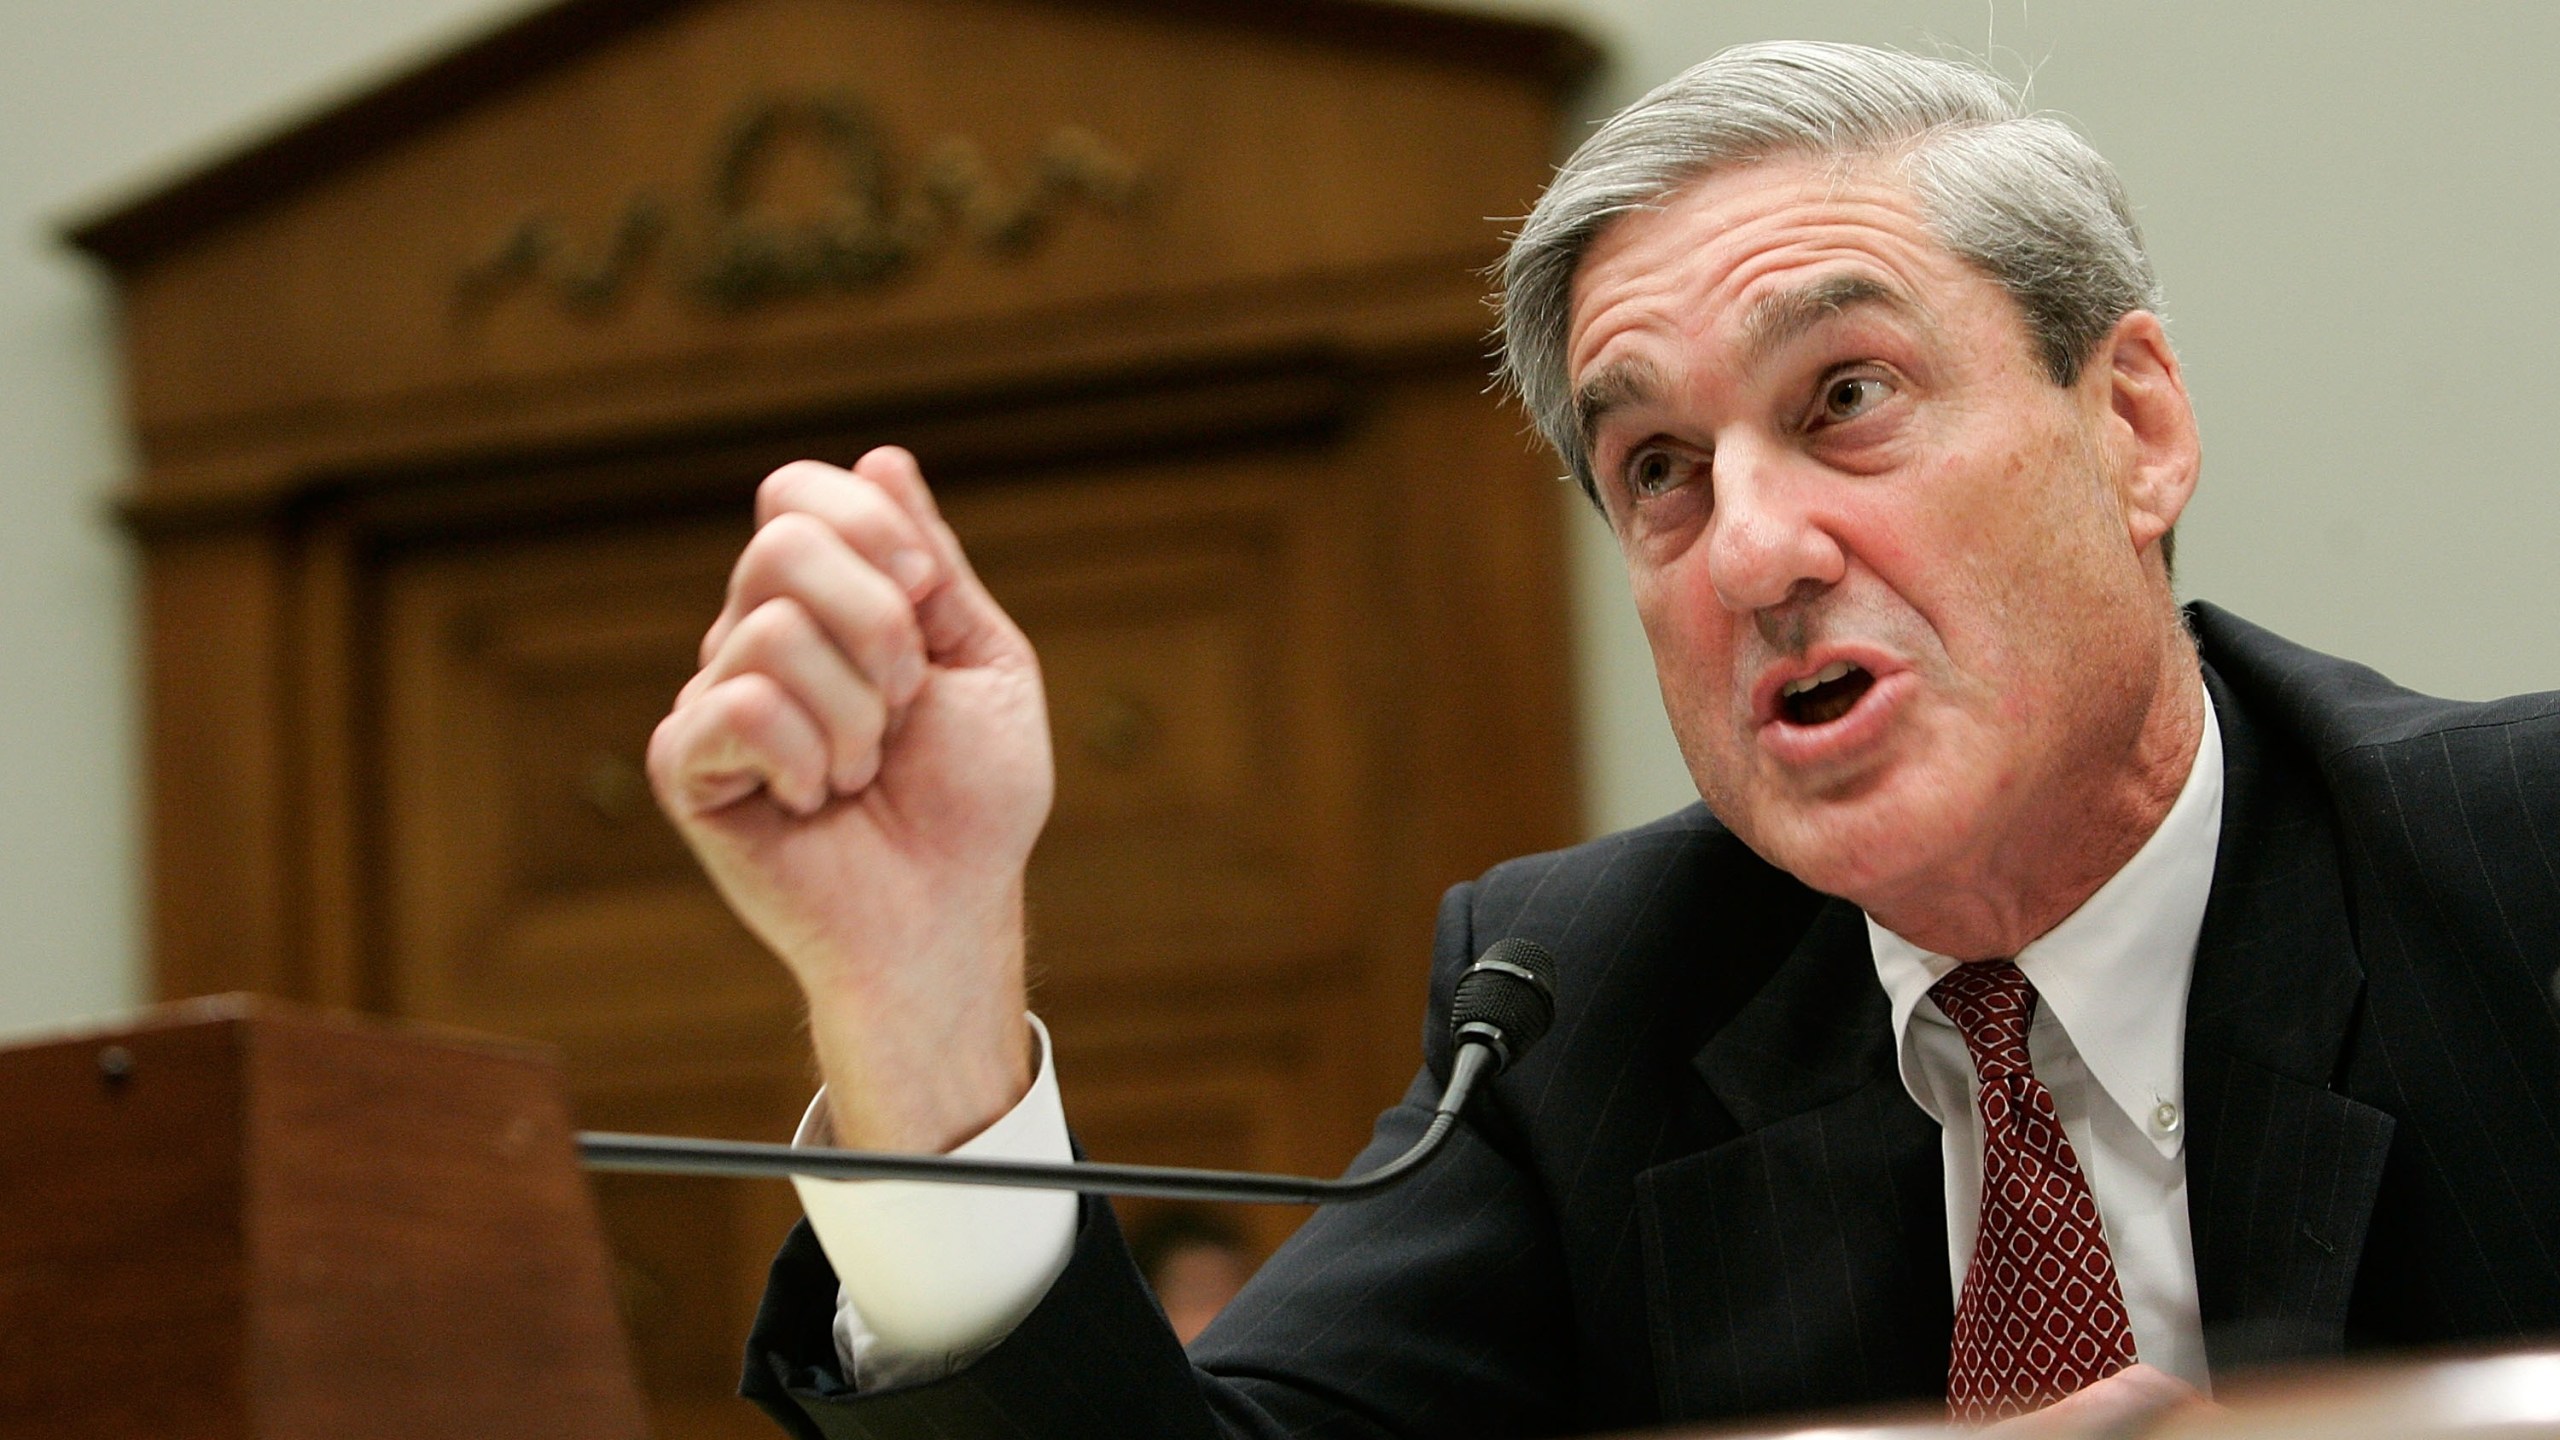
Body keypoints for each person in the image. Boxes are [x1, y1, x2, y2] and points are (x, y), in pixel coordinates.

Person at [647, 41, 2560, 1439]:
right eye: (1658, 468)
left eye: (1850, 397)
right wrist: (919, 1000)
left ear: (2132, 424)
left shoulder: (2515, 869)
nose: (1753, 547)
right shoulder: (1582, 1009)